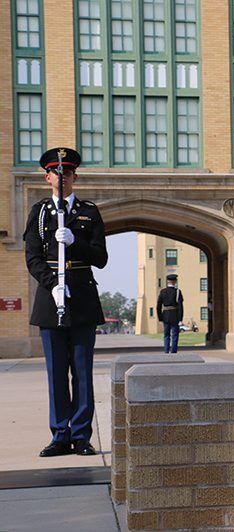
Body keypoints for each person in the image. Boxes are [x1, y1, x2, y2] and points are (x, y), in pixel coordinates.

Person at [23, 147, 108, 457]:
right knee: (57, 373)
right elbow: (32, 257)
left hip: (82, 297)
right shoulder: (40, 212)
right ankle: (60, 434)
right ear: (48, 177)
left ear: (75, 177)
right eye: (57, 172)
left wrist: (76, 240)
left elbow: (101, 258)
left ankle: (81, 435)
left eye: (68, 173)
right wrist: (52, 285)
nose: (63, 177)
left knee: (82, 372)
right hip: (52, 298)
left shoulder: (89, 211)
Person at [157, 273, 184, 353]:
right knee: (175, 334)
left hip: (165, 315)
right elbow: (180, 307)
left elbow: (158, 306)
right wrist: (180, 319)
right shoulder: (178, 292)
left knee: (166, 335)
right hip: (174, 315)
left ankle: (166, 350)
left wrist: (160, 317)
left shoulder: (162, 292)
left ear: (167, 281)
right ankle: (173, 351)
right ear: (175, 281)